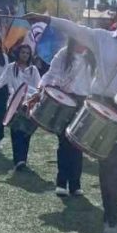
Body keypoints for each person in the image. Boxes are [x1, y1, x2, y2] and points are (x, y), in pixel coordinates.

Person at [27, 3, 117, 233]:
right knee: (106, 163)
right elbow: (73, 28)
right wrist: (46, 20)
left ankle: (111, 213)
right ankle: (111, 218)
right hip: (102, 105)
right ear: (116, 18)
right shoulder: (100, 38)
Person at [40, 37, 94, 196]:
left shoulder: (91, 58)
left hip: (83, 102)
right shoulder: (63, 54)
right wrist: (42, 89)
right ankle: (62, 183)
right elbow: (50, 75)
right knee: (64, 143)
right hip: (64, 100)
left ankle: (75, 185)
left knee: (77, 144)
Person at [0, 43, 41, 170]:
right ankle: (18, 161)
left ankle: (22, 160)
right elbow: (0, 82)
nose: (25, 55)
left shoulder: (33, 70)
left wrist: (31, 97)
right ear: (18, 53)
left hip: (29, 106)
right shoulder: (10, 68)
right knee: (16, 133)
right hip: (14, 106)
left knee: (26, 133)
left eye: (27, 53)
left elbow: (38, 88)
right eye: (23, 52)